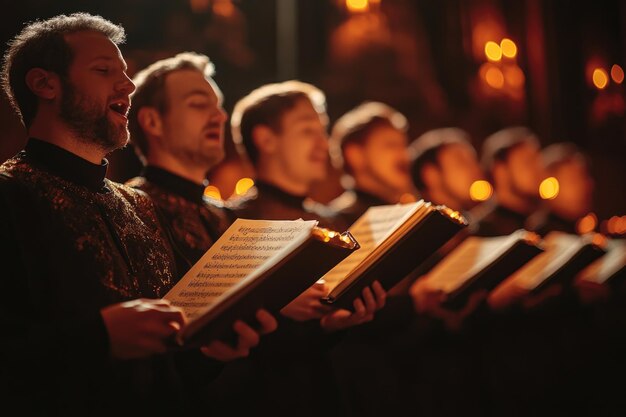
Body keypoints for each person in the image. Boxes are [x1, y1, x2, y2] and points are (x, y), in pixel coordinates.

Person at [0, 14, 275, 415]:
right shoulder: (11, 194)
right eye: (103, 70)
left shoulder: (140, 206)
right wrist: (100, 337)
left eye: (126, 73)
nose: (128, 85)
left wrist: (211, 354)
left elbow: (166, 371)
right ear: (45, 84)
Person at [230, 80, 387, 416]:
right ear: (265, 138)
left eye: (323, 130)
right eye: (307, 131)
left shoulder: (335, 222)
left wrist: (342, 317)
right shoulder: (232, 223)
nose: (323, 143)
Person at [328, 101, 414, 226]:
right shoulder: (338, 224)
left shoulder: (408, 211)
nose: (405, 155)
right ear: (355, 155)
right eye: (391, 145)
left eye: (404, 146)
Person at [475, 126, 546, 237]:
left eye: (538, 162)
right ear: (501, 171)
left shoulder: (541, 226)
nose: (538, 171)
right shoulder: (482, 232)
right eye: (527, 163)